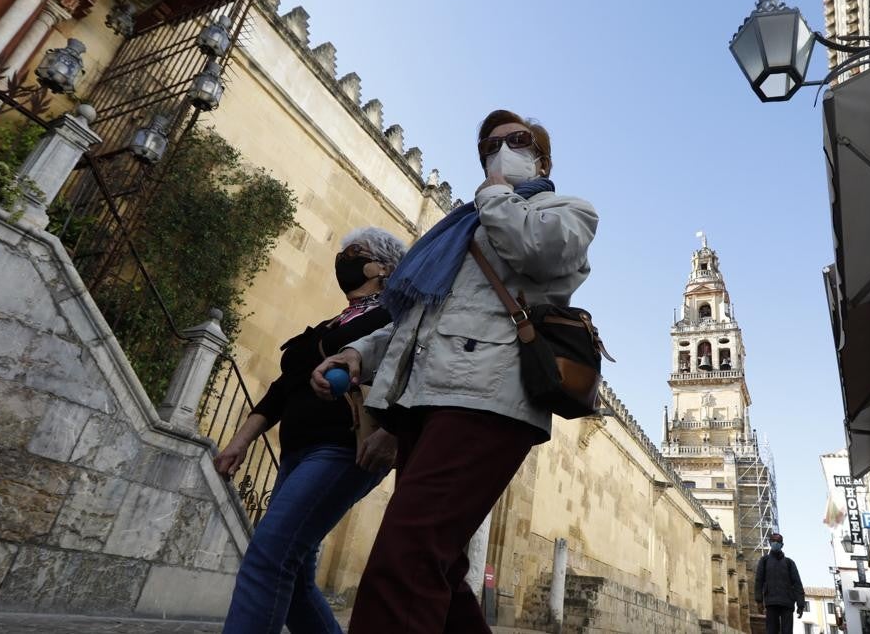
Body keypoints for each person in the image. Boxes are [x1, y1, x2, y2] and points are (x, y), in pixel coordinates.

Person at [311, 109, 598, 633]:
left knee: (405, 559)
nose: (500, 151)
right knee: (437, 564)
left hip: (489, 399)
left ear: (542, 156)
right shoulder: (459, 231)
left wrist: (492, 195)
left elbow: (535, 251)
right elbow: (420, 318)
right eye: (488, 147)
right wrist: (362, 354)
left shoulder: (569, 211)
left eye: (516, 140)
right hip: (427, 401)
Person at [216, 226, 406, 634]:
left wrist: (393, 432)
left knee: (270, 556)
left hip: (343, 448)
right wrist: (240, 441)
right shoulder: (328, 325)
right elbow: (281, 390)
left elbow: (414, 373)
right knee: (296, 577)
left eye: (356, 252)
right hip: (295, 454)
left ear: (384, 268)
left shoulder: (395, 317)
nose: (344, 259)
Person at [755, 532, 806, 634]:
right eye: (773, 541)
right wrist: (759, 601)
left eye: (778, 541)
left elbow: (797, 584)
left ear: (782, 544)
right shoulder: (764, 561)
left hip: (787, 603)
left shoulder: (789, 563)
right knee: (771, 631)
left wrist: (800, 604)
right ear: (770, 543)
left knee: (787, 632)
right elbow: (758, 581)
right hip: (771, 602)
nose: (775, 543)